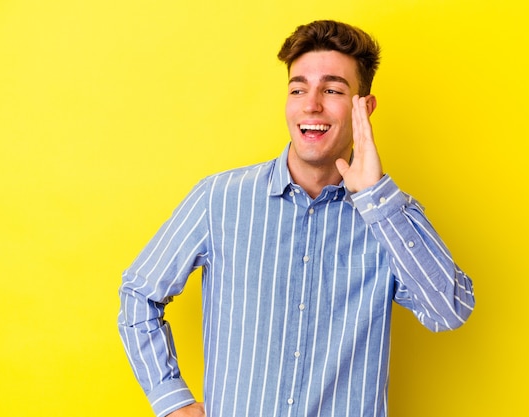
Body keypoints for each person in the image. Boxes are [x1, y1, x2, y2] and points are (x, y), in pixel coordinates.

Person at [118, 20, 475, 417]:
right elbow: (139, 293)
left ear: (364, 107)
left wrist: (377, 200)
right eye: (298, 88)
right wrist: (172, 401)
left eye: (333, 89)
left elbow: (450, 310)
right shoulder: (219, 199)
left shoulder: (392, 216)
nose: (311, 104)